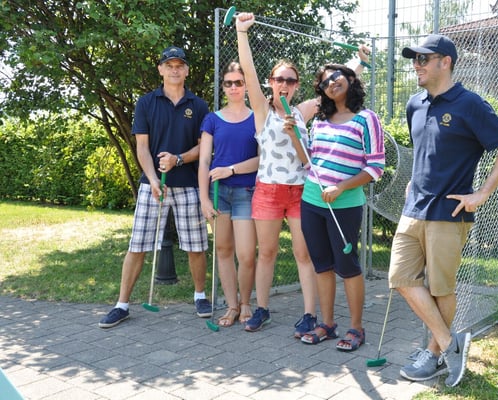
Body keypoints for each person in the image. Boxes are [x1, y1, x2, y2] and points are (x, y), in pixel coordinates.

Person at [390, 34, 498, 386]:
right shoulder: (415, 104)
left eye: (423, 59)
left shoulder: (470, 104)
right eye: (414, 59)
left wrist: (482, 193)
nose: (416, 65)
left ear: (445, 62)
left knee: (440, 288)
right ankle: (451, 344)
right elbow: (425, 150)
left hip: (449, 213)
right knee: (400, 278)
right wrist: (413, 179)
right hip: (413, 208)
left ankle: (434, 354)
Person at [235, 12, 372, 336]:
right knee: (267, 253)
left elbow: (336, 82)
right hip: (268, 191)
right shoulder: (262, 110)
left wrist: (361, 61)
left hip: (301, 191)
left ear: (296, 86)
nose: (284, 84)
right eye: (279, 79)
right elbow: (249, 72)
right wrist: (242, 33)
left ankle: (310, 315)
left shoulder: (303, 111)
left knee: (304, 254)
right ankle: (262, 309)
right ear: (271, 82)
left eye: (291, 80)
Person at [99, 46, 211, 329]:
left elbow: (204, 147)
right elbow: (142, 147)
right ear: (160, 69)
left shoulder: (198, 106)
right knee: (137, 246)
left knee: (196, 246)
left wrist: (178, 159)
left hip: (188, 185)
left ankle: (200, 296)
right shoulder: (146, 102)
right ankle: (122, 305)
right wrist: (151, 179)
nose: (174, 70)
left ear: (186, 70)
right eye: (169, 65)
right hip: (153, 187)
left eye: (179, 65)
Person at [290, 65, 385, 352]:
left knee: (347, 266)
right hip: (312, 201)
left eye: (335, 76)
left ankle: (356, 328)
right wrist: (293, 134)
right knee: (322, 264)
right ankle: (328, 324)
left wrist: (341, 187)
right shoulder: (320, 120)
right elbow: (309, 161)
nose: (331, 83)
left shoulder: (366, 119)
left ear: (350, 78)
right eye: (324, 83)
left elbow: (376, 168)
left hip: (344, 205)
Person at [199, 61, 259, 327]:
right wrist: (203, 199)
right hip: (218, 193)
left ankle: (246, 303)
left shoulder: (257, 117)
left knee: (246, 254)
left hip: (246, 191)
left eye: (238, 82)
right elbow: (204, 162)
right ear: (222, 86)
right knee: (223, 250)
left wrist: (231, 170)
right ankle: (232, 306)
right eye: (228, 83)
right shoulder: (212, 119)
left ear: (246, 85)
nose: (233, 87)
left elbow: (261, 160)